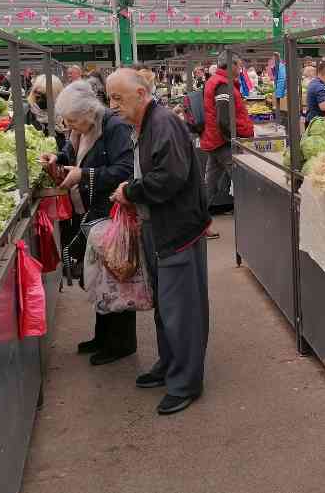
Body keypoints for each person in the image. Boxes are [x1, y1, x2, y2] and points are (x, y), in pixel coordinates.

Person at [107, 68, 211, 416]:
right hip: (159, 227)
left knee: (181, 310)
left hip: (178, 229)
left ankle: (185, 382)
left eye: (118, 98)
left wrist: (130, 192)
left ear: (141, 93)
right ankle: (169, 366)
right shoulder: (143, 124)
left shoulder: (163, 123)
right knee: (166, 306)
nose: (113, 105)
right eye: (111, 98)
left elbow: (170, 176)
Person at [41, 81, 136, 366]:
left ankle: (121, 343)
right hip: (92, 213)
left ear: (88, 112)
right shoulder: (82, 128)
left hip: (110, 212)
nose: (69, 126)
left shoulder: (114, 127)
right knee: (97, 278)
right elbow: (73, 154)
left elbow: (125, 169)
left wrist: (84, 174)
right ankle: (102, 336)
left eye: (72, 120)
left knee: (115, 278)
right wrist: (57, 158)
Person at [200, 53, 255, 223]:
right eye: (238, 65)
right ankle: (249, 219)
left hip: (214, 140)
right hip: (223, 142)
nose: (240, 69)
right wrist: (233, 139)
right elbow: (223, 119)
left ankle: (198, 218)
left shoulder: (217, 81)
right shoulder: (223, 85)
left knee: (210, 182)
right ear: (231, 65)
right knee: (241, 181)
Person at [26, 75, 66, 147]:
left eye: (45, 97)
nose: (40, 100)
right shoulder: (26, 112)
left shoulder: (64, 115)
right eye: (38, 96)